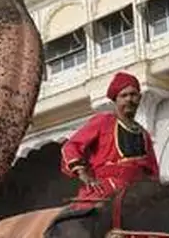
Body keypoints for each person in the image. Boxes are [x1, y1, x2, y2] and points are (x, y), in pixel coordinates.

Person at [60, 71, 160, 206]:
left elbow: (152, 169)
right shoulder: (103, 121)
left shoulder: (143, 134)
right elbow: (71, 146)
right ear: (116, 100)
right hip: (108, 186)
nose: (129, 99)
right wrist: (83, 174)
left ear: (140, 97)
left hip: (139, 189)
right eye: (123, 95)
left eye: (133, 94)